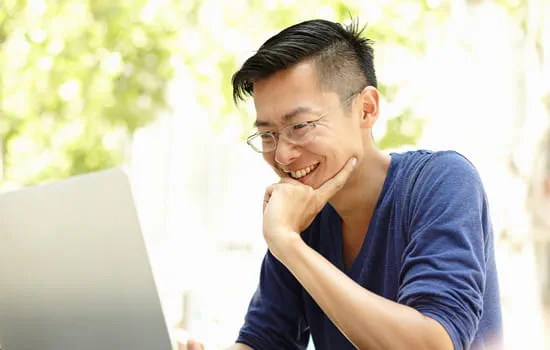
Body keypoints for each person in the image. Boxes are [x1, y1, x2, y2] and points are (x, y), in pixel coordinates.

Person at [180, 18, 502, 350]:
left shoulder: (442, 181)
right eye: (267, 135)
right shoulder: (304, 216)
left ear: (366, 109)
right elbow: (265, 340)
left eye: (301, 125)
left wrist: (288, 244)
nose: (284, 155)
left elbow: (433, 344)